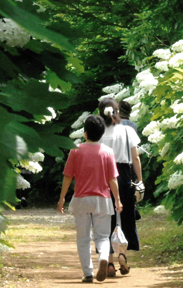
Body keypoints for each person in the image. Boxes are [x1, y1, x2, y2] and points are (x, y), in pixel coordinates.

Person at [58, 115, 123, 283]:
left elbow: (67, 176)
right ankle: (103, 257)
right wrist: (117, 199)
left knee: (83, 239)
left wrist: (62, 198)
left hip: (81, 199)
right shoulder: (107, 152)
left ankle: (88, 273)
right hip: (102, 200)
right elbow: (112, 179)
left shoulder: (75, 150)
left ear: (85, 133)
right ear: (101, 134)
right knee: (102, 237)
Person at [98, 97, 142, 277]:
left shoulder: (98, 132)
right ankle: (122, 254)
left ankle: (108, 262)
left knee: (105, 219)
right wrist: (139, 180)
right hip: (123, 175)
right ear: (117, 111)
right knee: (125, 217)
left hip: (103, 176)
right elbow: (136, 158)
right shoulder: (126, 130)